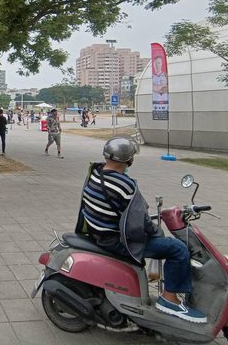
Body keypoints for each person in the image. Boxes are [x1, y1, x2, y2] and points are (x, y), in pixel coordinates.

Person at [76, 137, 207, 323]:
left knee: (166, 244)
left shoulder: (95, 173)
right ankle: (169, 299)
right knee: (177, 249)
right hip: (116, 242)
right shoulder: (125, 185)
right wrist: (157, 232)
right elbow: (140, 224)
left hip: (98, 233)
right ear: (129, 159)